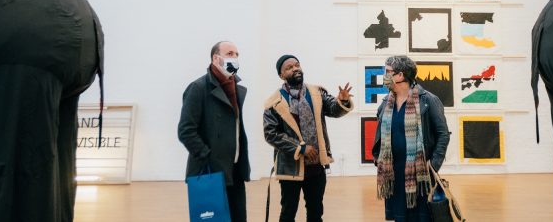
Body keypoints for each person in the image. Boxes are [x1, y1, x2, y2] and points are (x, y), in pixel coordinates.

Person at [262, 54, 354, 222]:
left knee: (315, 212)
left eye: (297, 65)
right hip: (290, 168)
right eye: (289, 67)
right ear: (281, 75)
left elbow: (333, 110)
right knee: (288, 213)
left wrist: (343, 101)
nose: (295, 68)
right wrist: (301, 148)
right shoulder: (274, 102)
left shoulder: (316, 93)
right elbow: (271, 134)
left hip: (316, 166)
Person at [370, 55, 450, 222]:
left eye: (388, 72)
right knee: (400, 218)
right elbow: (381, 132)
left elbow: (443, 134)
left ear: (400, 75)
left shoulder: (428, 100)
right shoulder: (386, 102)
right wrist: (378, 156)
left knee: (420, 218)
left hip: (420, 174)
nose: (385, 76)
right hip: (393, 173)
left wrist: (434, 164)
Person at [179, 41, 251, 222]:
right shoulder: (198, 88)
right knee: (213, 219)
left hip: (235, 170)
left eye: (236, 54)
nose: (235, 57)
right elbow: (186, 130)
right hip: (210, 171)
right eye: (230, 53)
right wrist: (206, 156)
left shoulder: (236, 88)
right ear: (216, 58)